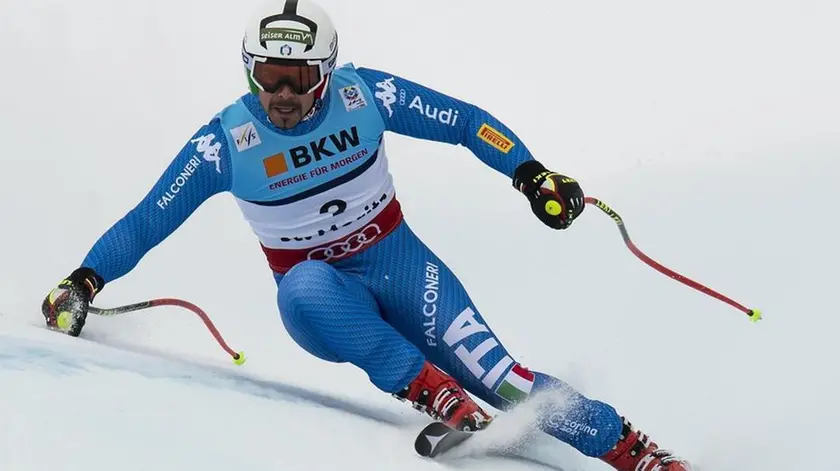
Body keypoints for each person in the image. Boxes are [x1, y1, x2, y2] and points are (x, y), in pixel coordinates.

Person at [41, 1, 693, 469]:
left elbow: (465, 122)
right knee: (303, 284)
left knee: (509, 380)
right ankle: (433, 392)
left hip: (403, 266)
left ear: (327, 70)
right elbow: (150, 216)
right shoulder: (225, 143)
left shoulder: (365, 93)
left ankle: (636, 452)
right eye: (268, 76)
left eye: (297, 79)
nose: (283, 95)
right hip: (328, 302)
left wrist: (530, 173)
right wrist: (82, 281)